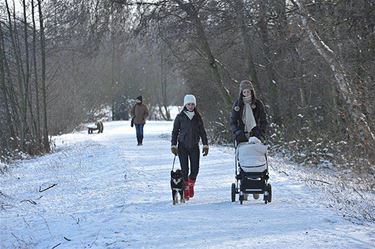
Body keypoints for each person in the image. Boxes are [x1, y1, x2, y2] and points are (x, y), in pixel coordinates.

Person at [229, 80, 267, 200]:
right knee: (244, 161)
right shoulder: (237, 105)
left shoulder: (258, 104)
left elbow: (263, 120)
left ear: (252, 91)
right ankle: (245, 187)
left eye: (248, 91)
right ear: (241, 93)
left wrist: (260, 133)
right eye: (244, 92)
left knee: (255, 159)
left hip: (255, 134)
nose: (246, 93)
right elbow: (233, 121)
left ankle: (256, 185)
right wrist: (237, 132)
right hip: (242, 136)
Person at [171, 94, 209, 200]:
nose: (191, 106)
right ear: (185, 105)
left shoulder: (197, 117)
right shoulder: (180, 117)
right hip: (182, 146)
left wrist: (205, 145)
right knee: (184, 169)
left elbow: (202, 132)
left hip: (194, 146)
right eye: (189, 104)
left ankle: (191, 185)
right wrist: (173, 145)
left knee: (195, 169)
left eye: (192, 104)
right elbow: (175, 132)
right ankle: (186, 188)